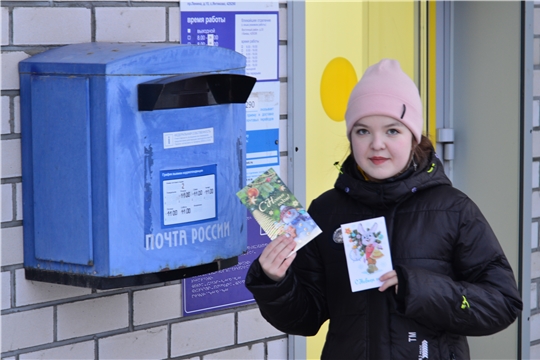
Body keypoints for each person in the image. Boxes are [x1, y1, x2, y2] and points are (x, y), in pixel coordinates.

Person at [245, 59, 522, 359]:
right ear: (350, 137)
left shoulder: (453, 210)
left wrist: (419, 288)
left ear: (413, 137)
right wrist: (275, 282)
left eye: (392, 131)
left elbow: (502, 303)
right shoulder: (326, 211)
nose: (376, 144)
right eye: (363, 131)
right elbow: (306, 317)